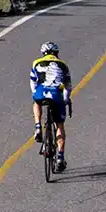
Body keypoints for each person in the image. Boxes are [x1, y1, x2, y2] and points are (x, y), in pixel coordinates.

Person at [30, 41, 73, 171]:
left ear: (43, 53)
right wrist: (65, 99)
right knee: (59, 125)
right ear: (57, 53)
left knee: (36, 102)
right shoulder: (63, 65)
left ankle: (38, 126)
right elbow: (68, 86)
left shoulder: (36, 63)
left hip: (41, 92)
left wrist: (36, 95)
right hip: (56, 95)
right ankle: (60, 156)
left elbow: (33, 84)